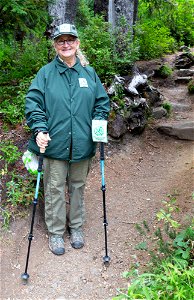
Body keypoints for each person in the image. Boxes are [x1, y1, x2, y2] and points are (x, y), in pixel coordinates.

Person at [25, 23, 110, 255]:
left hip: (83, 143)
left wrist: (99, 122)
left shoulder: (88, 73)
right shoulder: (45, 73)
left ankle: (76, 228)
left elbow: (101, 102)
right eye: (61, 41)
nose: (66, 44)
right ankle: (55, 233)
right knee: (53, 189)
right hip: (54, 143)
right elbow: (33, 103)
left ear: (77, 43)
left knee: (78, 187)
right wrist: (40, 129)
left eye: (70, 40)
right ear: (55, 45)